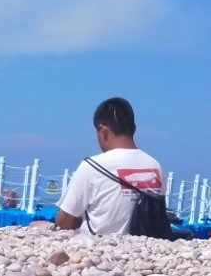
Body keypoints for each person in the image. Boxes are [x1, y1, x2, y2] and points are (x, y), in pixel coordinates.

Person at [55, 97, 165, 233]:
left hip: (97, 241)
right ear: (134, 129)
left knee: (38, 225)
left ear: (103, 131)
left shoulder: (92, 166)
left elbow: (65, 221)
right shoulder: (155, 166)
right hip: (144, 241)